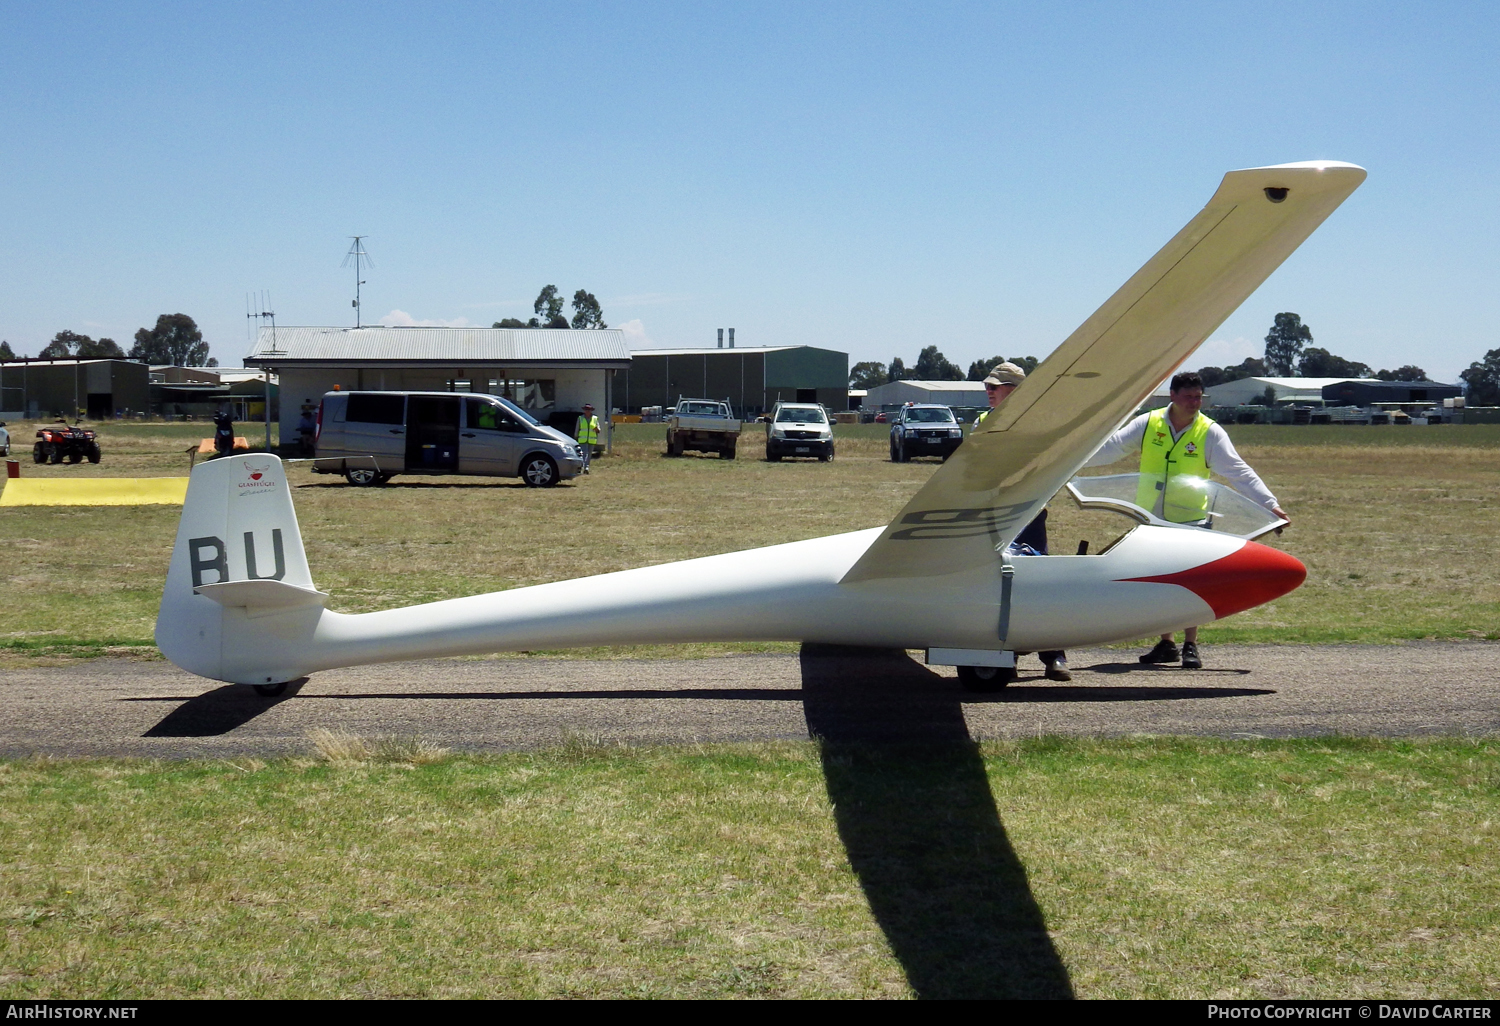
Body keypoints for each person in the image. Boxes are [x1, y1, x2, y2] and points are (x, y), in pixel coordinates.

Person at [1084, 371, 1289, 670]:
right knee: (1158, 581)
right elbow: (1110, 449)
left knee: (1190, 582)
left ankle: (1190, 644)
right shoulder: (1148, 423)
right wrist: (1065, 461)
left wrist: (1270, 505)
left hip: (1192, 519)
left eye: (1198, 397)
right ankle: (1166, 643)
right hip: (1151, 519)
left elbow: (1238, 472)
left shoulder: (1210, 432)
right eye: (1189, 397)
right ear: (1173, 396)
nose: (1195, 403)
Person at [974, 362, 1070, 682]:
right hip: (995, 516)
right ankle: (1006, 655)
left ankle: (1054, 656)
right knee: (1002, 585)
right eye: (988, 385)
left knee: (1039, 583)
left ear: (1015, 391)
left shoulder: (1039, 425)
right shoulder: (982, 422)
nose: (989, 390)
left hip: (1029, 514)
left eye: (996, 386)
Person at [575, 403, 601, 474]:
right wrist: (576, 436)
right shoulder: (580, 418)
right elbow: (577, 428)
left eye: (589, 410)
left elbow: (599, 430)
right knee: (584, 453)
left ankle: (586, 467)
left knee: (589, 454)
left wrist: (596, 429)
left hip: (591, 440)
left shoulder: (595, 418)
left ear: (591, 410)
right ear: (584, 410)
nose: (587, 411)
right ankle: (583, 467)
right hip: (582, 439)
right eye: (586, 409)